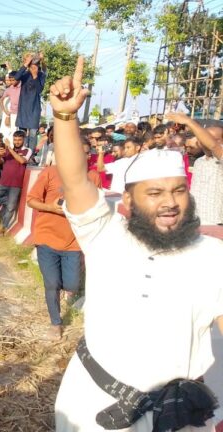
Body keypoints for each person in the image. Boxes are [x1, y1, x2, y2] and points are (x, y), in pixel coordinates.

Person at [51, 56, 222, 431]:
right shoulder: (105, 236)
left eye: (178, 191)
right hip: (90, 407)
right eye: (155, 192)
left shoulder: (214, 256)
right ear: (127, 201)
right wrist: (65, 118)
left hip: (180, 416)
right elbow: (76, 180)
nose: (170, 202)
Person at [27, 162, 100, 340]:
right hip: (47, 237)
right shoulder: (51, 172)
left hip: (74, 242)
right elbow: (31, 200)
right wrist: (51, 207)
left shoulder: (93, 177)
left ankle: (69, 290)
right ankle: (55, 324)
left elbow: (96, 207)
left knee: (72, 285)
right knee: (52, 284)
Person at [166, 113, 223, 226]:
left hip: (215, 223)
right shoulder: (199, 161)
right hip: (193, 221)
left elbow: (214, 147)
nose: (204, 140)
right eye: (203, 136)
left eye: (213, 138)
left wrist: (189, 121)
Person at [0, 130, 31, 234]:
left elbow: (22, 161)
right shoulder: (6, 150)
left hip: (16, 184)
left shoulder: (27, 150)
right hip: (3, 182)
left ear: (24, 139)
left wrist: (10, 148)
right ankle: (10, 202)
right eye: (15, 139)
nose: (17, 142)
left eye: (19, 139)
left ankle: (3, 228)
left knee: (10, 208)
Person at [14, 52, 46, 150]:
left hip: (34, 108)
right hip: (23, 108)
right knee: (22, 133)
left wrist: (35, 75)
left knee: (32, 134)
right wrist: (25, 64)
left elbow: (40, 89)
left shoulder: (41, 75)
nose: (33, 65)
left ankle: (30, 155)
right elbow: (16, 77)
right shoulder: (24, 74)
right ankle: (21, 152)